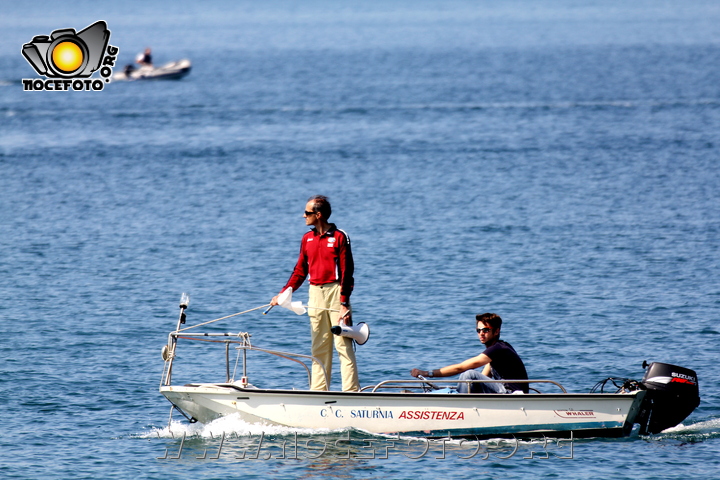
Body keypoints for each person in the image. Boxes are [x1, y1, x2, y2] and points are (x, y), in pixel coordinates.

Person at [271, 195, 360, 392]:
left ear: (318, 215)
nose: (303, 216)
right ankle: (319, 392)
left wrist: (344, 302)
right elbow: (300, 271)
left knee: (343, 346)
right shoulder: (307, 239)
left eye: (307, 213)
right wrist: (283, 294)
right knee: (319, 347)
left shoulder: (339, 237)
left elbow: (347, 271)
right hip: (315, 293)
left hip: (336, 293)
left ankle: (351, 392)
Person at [410, 313, 529, 393]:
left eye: (486, 330)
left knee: (469, 375)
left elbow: (460, 368)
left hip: (512, 395)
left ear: (496, 331)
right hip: (503, 392)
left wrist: (426, 373)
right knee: (470, 381)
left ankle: (458, 406)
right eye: (479, 330)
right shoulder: (494, 355)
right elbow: (484, 378)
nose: (481, 333)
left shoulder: (499, 348)